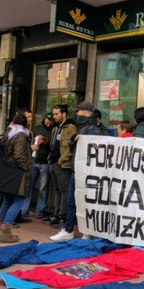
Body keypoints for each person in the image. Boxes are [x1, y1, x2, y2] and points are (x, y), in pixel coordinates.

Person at [51, 101, 105, 241]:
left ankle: (81, 230)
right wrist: (72, 142)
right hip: (79, 170)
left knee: (81, 202)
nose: (77, 114)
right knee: (72, 201)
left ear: (86, 112)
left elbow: (97, 149)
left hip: (86, 172)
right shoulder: (85, 128)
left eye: (78, 111)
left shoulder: (92, 129)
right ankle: (70, 229)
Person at [0, 113, 32, 243]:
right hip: (17, 172)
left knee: (7, 201)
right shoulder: (20, 135)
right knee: (18, 201)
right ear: (25, 123)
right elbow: (19, 155)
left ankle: (1, 229)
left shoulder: (9, 131)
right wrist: (27, 167)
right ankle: (6, 230)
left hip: (7, 170)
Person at [47, 104, 77, 227]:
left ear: (63, 114)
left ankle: (63, 215)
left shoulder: (71, 128)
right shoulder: (55, 128)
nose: (54, 116)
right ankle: (57, 212)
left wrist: (62, 159)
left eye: (56, 114)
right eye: (53, 114)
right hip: (53, 162)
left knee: (65, 190)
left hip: (63, 164)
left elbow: (71, 146)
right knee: (57, 190)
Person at [23, 113, 55, 220]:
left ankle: (39, 211)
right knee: (29, 186)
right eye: (47, 119)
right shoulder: (36, 128)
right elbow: (30, 142)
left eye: (51, 120)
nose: (48, 122)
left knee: (43, 188)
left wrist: (46, 142)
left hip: (45, 162)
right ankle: (24, 209)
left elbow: (53, 145)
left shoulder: (54, 130)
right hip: (34, 160)